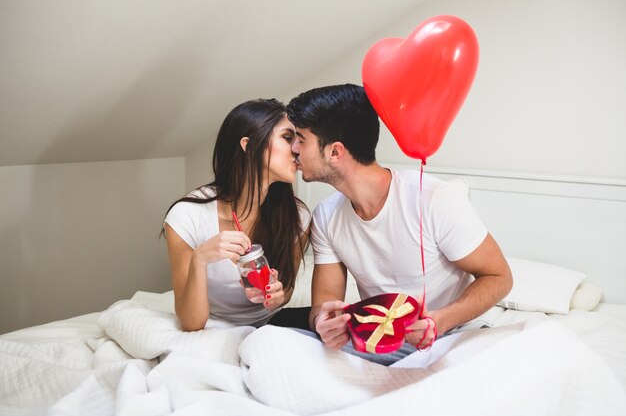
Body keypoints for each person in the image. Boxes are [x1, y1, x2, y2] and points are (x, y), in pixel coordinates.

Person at [286, 84, 512, 364]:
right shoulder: (326, 216)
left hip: (452, 336)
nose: (293, 149)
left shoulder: (433, 199)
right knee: (274, 346)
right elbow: (324, 303)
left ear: (335, 152)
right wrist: (324, 321)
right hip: (379, 343)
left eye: (301, 139)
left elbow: (500, 278)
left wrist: (438, 322)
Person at [162, 98, 311, 331]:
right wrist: (200, 259)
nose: (297, 149)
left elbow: (288, 288)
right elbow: (191, 323)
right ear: (249, 146)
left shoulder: (297, 216)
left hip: (271, 326)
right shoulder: (187, 217)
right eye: (287, 137)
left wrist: (279, 296)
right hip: (214, 328)